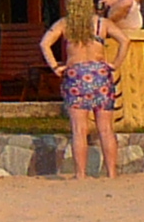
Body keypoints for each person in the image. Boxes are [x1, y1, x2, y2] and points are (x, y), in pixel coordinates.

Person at [38, 14, 121, 179]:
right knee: (105, 128)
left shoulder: (65, 23)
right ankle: (112, 173)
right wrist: (115, 63)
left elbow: (44, 43)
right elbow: (124, 40)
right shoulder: (101, 23)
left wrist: (55, 66)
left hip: (76, 75)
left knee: (79, 129)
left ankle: (80, 174)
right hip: (100, 74)